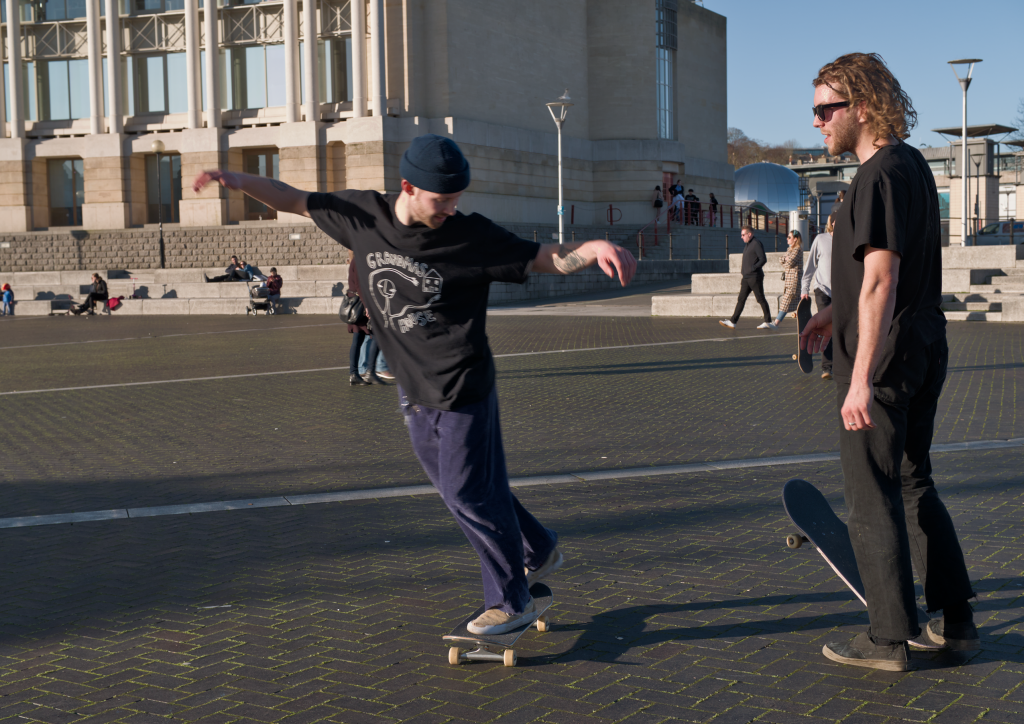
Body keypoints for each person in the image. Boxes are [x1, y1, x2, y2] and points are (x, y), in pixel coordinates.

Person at [192, 133, 637, 635]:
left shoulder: (472, 236)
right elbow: (291, 197)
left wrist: (592, 247)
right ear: (407, 186)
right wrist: (234, 180)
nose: (451, 208)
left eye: (456, 199)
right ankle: (540, 547)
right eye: (441, 200)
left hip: (463, 386)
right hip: (414, 392)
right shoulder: (362, 214)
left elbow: (542, 256)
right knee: (467, 490)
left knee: (468, 495)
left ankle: (513, 600)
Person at [800, 52, 976, 671]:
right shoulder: (912, 166)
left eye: (828, 107)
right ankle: (957, 621)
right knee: (911, 480)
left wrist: (859, 379)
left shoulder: (876, 174)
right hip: (925, 343)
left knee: (870, 492)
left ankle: (887, 638)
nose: (818, 120)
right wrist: (831, 315)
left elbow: (881, 277)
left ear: (864, 105)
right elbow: (871, 279)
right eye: (816, 109)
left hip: (886, 360)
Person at [720, 225, 774, 330]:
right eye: (741, 235)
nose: (741, 237)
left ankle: (768, 321)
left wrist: (753, 268)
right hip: (746, 278)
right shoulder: (748, 244)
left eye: (743, 235)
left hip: (754, 277)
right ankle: (733, 322)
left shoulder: (756, 243)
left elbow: (763, 259)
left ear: (750, 234)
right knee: (741, 299)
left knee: (760, 298)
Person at [802, 213, 835, 380]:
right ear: (833, 223)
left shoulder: (850, 240)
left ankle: (842, 363)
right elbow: (809, 268)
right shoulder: (820, 239)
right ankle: (827, 367)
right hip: (822, 289)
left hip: (841, 292)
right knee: (828, 325)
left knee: (839, 329)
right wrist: (804, 289)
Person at [344, 261, 384, 386]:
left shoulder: (357, 259)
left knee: (358, 338)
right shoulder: (359, 260)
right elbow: (360, 284)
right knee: (378, 335)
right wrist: (367, 306)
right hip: (360, 305)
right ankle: (368, 372)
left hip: (357, 303)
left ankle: (355, 374)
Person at [772, 230, 803, 327]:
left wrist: (786, 259)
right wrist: (785, 259)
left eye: (789, 237)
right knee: (797, 304)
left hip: (794, 281)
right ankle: (806, 323)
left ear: (795, 239)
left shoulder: (797, 250)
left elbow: (789, 263)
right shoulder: (790, 250)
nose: (787, 239)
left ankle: (776, 323)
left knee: (786, 301)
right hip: (789, 280)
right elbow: (780, 259)